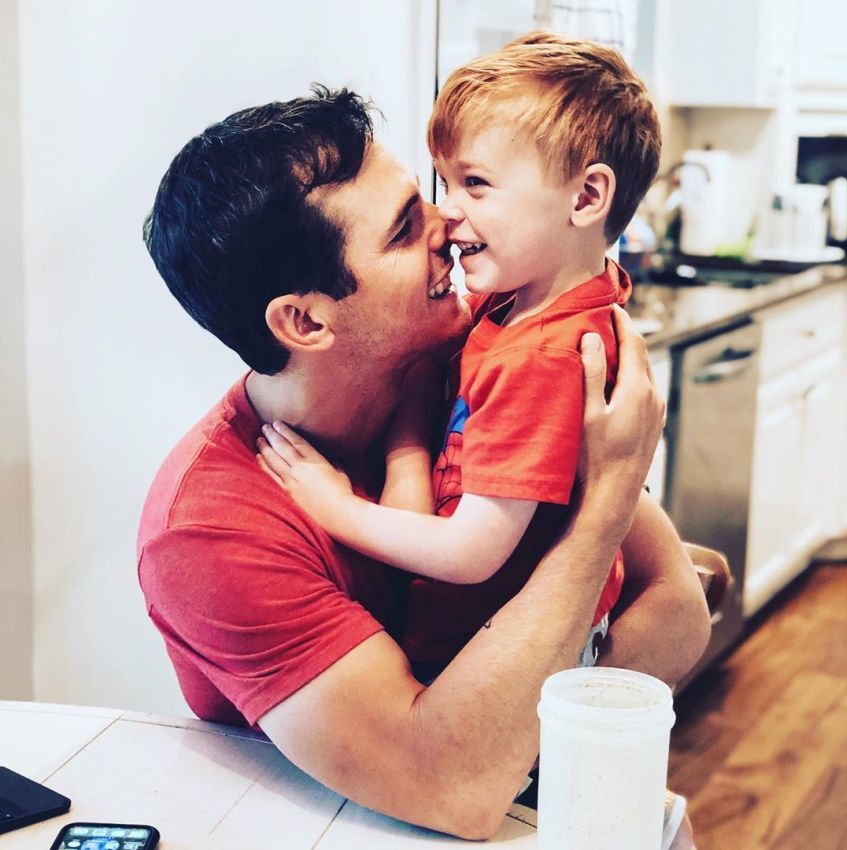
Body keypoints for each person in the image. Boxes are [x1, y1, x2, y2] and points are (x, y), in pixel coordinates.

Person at [139, 84, 709, 842]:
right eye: (408, 229)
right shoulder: (208, 530)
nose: (451, 226)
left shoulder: (479, 359)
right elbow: (453, 786)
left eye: (432, 196)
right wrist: (604, 505)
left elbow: (677, 611)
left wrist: (510, 730)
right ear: (306, 320)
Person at [256, 33, 669, 676]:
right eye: (445, 181)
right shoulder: (526, 306)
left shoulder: (546, 356)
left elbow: (470, 553)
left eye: (475, 184)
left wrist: (334, 505)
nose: (447, 213)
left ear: (586, 198)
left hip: (502, 664)